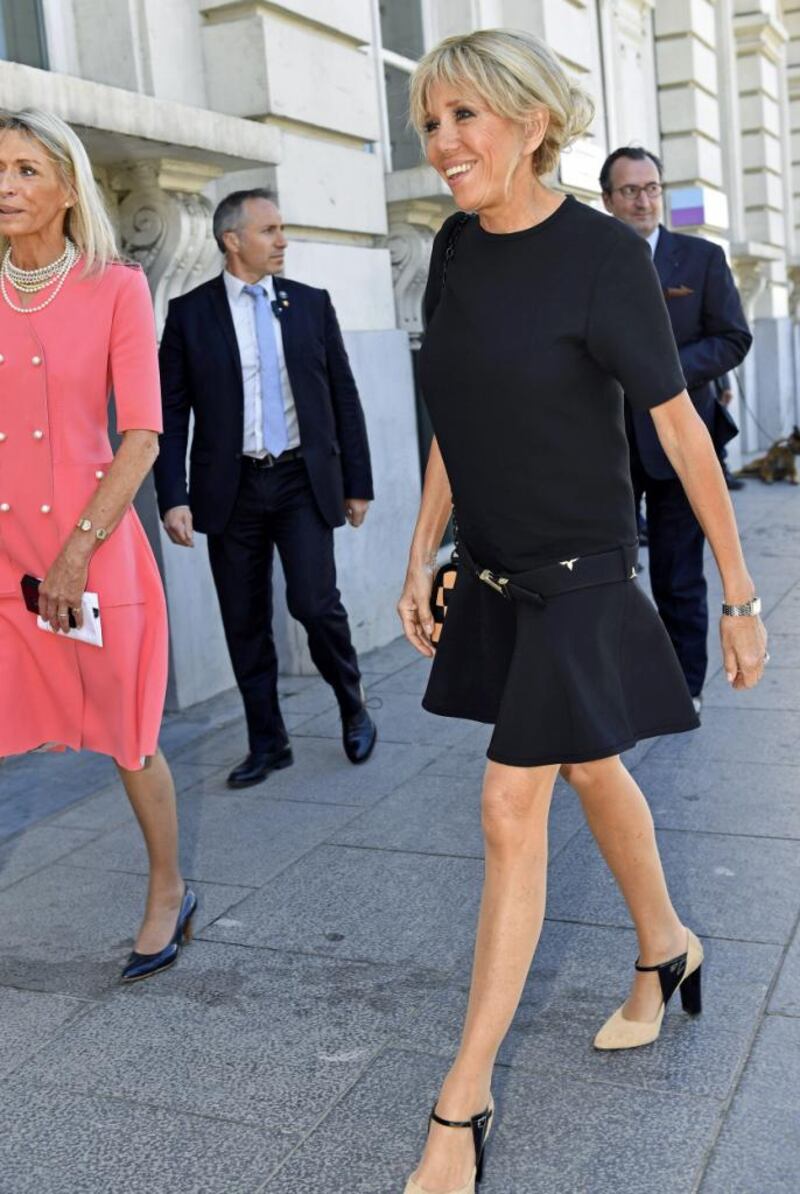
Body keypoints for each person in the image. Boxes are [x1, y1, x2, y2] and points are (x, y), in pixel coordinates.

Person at [397, 31, 767, 1194]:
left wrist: (740, 593)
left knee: (511, 806)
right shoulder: (453, 249)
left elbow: (673, 427)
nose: (443, 144)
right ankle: (666, 949)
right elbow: (454, 415)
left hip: (583, 570)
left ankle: (461, 1104)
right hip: (497, 569)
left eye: (464, 117)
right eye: (430, 123)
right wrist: (420, 555)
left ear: (529, 119)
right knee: (593, 767)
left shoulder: (604, 255)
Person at [0, 109, 194, 984]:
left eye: (26, 169)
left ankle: (168, 886)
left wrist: (77, 551)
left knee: (128, 735)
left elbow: (144, 436)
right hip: (4, 553)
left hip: (92, 548)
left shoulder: (114, 287)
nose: (6, 184)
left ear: (68, 189)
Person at [154, 189, 377, 788]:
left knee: (313, 603)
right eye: (270, 230)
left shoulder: (309, 304)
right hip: (231, 488)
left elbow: (342, 396)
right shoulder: (189, 314)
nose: (282, 241)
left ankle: (352, 702)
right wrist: (171, 494)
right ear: (232, 240)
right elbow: (170, 412)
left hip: (302, 479)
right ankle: (268, 742)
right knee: (244, 620)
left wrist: (358, 482)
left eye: (282, 229)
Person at [601, 147, 752, 711]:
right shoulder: (593, 261)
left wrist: (665, 376)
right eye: (630, 190)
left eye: (651, 188)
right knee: (608, 576)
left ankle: (684, 688)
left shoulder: (701, 258)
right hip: (605, 446)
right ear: (608, 200)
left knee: (679, 573)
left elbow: (733, 337)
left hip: (682, 443)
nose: (643, 199)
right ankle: (620, 680)